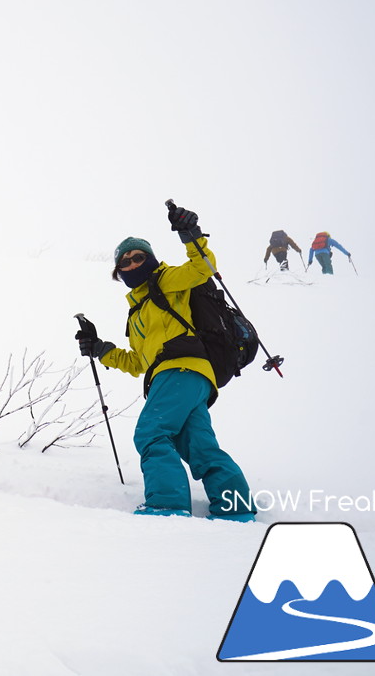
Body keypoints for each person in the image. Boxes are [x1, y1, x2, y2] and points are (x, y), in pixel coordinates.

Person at [75, 204, 253, 520]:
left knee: (150, 432)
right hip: (186, 378)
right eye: (124, 261)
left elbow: (202, 267)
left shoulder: (166, 280)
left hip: (181, 370)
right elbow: (139, 363)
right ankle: (235, 509)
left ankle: (167, 505)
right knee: (200, 447)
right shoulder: (138, 311)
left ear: (151, 259)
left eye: (138, 256)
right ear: (118, 272)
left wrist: (190, 234)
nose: (131, 263)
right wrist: (100, 349)